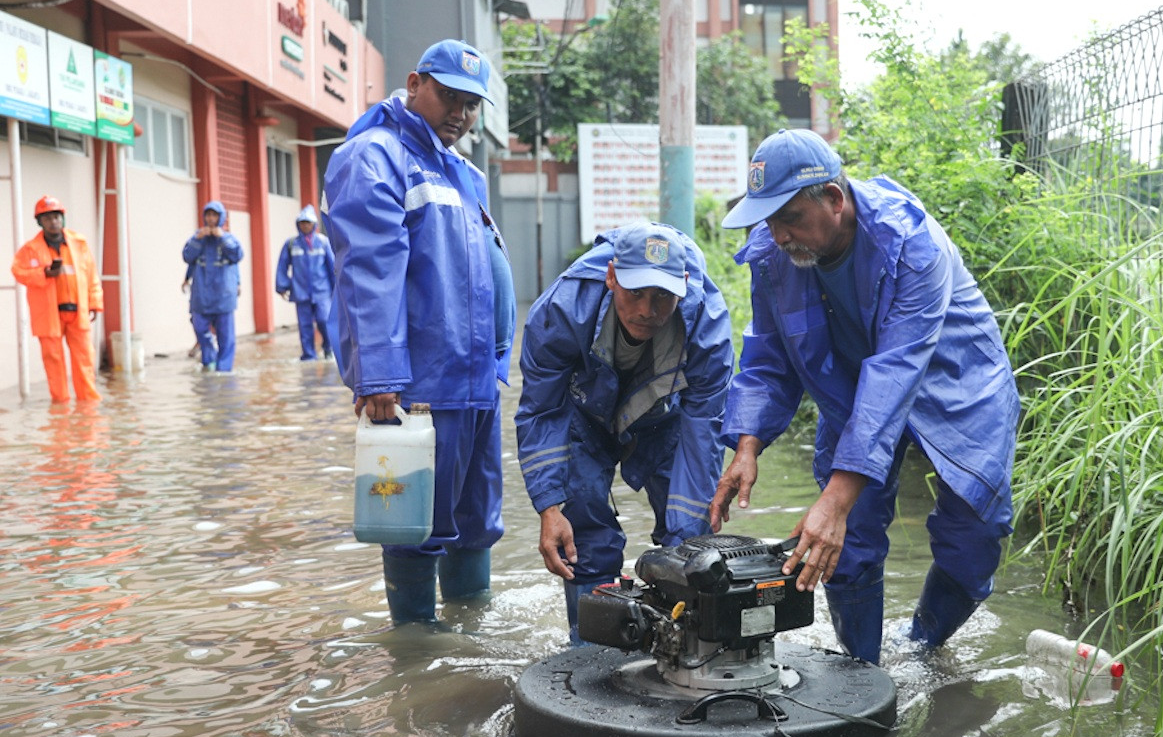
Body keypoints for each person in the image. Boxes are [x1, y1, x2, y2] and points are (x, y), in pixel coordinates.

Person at [710, 128, 1020, 664]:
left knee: (975, 531)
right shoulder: (773, 253)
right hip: (852, 388)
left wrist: (834, 500)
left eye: (789, 219)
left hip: (955, 379)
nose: (778, 236)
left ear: (834, 199)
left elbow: (896, 373)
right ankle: (864, 670)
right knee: (845, 544)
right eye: (769, 221)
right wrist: (748, 443)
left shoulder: (911, 244)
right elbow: (767, 356)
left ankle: (925, 648)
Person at [322, 39, 515, 626]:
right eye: (449, 97)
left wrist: (501, 360)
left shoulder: (463, 171)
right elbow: (369, 272)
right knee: (411, 526)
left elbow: (486, 267)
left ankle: (466, 649)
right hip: (419, 387)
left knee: (476, 522)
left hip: (476, 383)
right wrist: (378, 375)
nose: (460, 113)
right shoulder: (374, 157)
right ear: (414, 83)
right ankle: (414, 654)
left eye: (471, 104)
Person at [516, 222, 734, 644]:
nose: (647, 311)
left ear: (684, 287)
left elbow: (703, 428)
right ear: (611, 276)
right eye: (635, 293)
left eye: (663, 297)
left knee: (687, 538)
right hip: (584, 414)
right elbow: (542, 410)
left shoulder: (707, 325)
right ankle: (590, 649)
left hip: (665, 421)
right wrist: (548, 505)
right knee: (582, 533)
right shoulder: (563, 308)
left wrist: (689, 539)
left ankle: (684, 641)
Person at [10, 195, 103, 403]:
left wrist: (95, 302)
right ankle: (60, 408)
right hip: (49, 315)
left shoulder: (79, 243)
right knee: (53, 361)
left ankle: (88, 408)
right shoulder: (30, 250)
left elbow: (91, 275)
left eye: (56, 217)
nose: (53, 222)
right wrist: (44, 273)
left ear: (63, 219)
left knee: (84, 360)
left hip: (77, 312)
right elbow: (18, 271)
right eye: (48, 218)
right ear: (40, 222)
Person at [182, 200, 243, 372]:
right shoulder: (198, 237)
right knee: (199, 327)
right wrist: (197, 239)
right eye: (208, 215)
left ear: (220, 218)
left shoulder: (228, 238)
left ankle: (224, 369)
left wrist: (221, 238)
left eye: (214, 215)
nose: (211, 219)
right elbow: (187, 257)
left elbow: (237, 256)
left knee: (226, 335)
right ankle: (209, 360)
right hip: (201, 295)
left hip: (223, 295)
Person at [275, 205, 337, 361]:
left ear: (314, 224)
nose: (305, 225)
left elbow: (333, 267)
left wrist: (337, 288)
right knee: (305, 326)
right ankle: (309, 355)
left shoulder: (323, 242)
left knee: (324, 320)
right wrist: (282, 286)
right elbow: (282, 266)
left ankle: (328, 348)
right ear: (298, 224)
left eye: (308, 222)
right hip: (301, 292)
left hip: (322, 291)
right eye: (302, 222)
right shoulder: (291, 244)